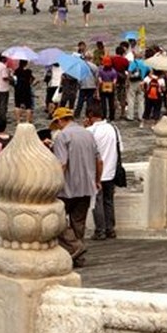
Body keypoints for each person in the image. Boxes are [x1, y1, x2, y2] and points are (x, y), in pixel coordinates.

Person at [50, 107, 102, 268]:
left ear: (60, 120)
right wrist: (97, 180)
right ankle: (77, 256)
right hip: (87, 185)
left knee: (56, 221)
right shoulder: (88, 134)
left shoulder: (62, 136)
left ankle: (75, 247)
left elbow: (62, 164)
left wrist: (54, 183)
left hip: (67, 187)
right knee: (78, 222)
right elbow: (99, 161)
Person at [86, 104, 121, 242]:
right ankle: (110, 228)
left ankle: (100, 230)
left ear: (90, 116)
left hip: (97, 172)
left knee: (97, 201)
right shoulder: (114, 128)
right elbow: (120, 149)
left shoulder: (90, 131)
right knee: (108, 201)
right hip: (111, 171)